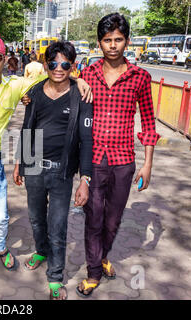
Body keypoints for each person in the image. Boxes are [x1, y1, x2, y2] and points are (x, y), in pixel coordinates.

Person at [0, 33, 92, 282]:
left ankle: (0, 247)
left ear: (4, 59)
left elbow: (52, 76)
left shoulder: (15, 86)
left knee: (1, 216)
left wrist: (79, 80)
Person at [75, 13, 160, 298]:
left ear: (127, 42)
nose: (113, 45)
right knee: (93, 216)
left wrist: (147, 164)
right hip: (94, 159)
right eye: (107, 40)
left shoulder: (140, 77)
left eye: (118, 40)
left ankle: (102, 255)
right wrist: (76, 80)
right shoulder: (88, 74)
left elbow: (148, 122)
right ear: (99, 43)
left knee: (113, 219)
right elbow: (59, 83)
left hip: (124, 161)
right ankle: (93, 272)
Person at [13, 41, 93, 300]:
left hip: (61, 171)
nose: (59, 68)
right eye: (54, 63)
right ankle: (41, 251)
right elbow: (27, 127)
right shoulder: (35, 92)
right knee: (36, 218)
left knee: (57, 225)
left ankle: (56, 277)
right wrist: (18, 162)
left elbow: (87, 140)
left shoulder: (80, 95)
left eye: (66, 64)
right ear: (46, 64)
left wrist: (85, 180)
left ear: (73, 66)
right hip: (33, 164)